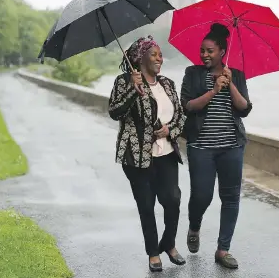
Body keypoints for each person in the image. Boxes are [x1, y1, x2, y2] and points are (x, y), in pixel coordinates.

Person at [108, 36, 186, 272]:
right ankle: (153, 252)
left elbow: (181, 116)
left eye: (160, 55)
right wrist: (133, 88)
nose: (159, 58)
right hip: (136, 156)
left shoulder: (168, 84)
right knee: (146, 205)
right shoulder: (124, 81)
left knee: (173, 200)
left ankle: (169, 243)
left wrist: (168, 130)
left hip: (167, 153)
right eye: (154, 54)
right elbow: (114, 112)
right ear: (140, 58)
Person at [180, 23, 252, 269]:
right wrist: (214, 90)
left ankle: (223, 250)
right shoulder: (192, 73)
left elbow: (245, 108)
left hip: (232, 147)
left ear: (222, 51)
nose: (204, 54)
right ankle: (194, 225)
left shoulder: (237, 75)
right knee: (202, 195)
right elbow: (188, 106)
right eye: (202, 50)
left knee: (230, 198)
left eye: (210, 50)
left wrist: (230, 84)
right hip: (201, 146)